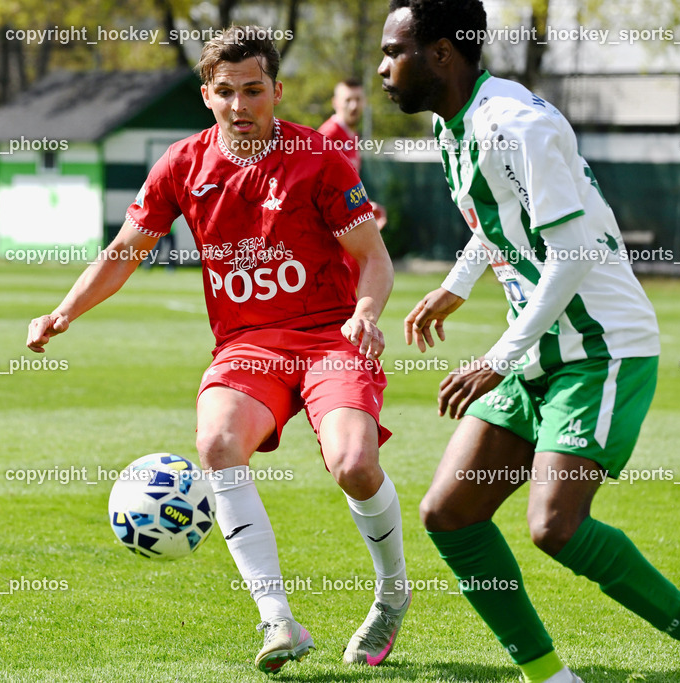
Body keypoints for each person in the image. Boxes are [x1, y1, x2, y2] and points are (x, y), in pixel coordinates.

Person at [378, 2, 680, 683]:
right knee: (450, 513)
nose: (382, 68)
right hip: (540, 350)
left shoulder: (515, 123)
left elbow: (574, 250)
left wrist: (497, 358)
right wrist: (458, 282)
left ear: (441, 54)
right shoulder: (453, 124)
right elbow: (500, 217)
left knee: (555, 525)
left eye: (393, 51)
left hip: (601, 346)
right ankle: (551, 677)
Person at [28, 25, 410, 673]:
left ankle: (392, 590)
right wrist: (65, 310)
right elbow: (126, 251)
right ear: (207, 95)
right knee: (217, 444)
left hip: (328, 337)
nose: (241, 105)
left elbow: (372, 256)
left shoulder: (320, 157)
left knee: (352, 462)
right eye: (226, 92)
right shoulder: (182, 163)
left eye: (253, 90)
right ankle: (276, 618)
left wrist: (367, 312)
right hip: (247, 345)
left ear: (276, 91)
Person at [318, 80, 388, 230]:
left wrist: (366, 205)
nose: (354, 106)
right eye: (348, 100)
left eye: (358, 99)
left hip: (346, 223)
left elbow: (346, 184)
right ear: (335, 103)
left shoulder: (351, 134)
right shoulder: (328, 136)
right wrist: (361, 207)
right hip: (331, 228)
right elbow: (327, 190)